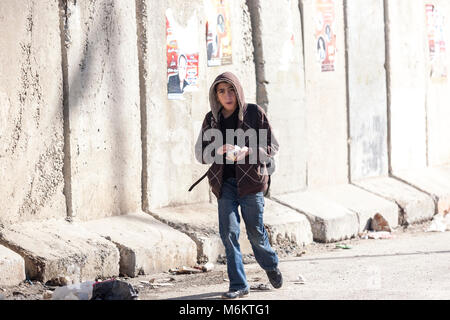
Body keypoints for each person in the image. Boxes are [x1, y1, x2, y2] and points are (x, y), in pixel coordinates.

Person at [194, 72, 282, 299]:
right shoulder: (211, 119)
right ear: (216, 95)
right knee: (229, 233)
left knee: (255, 232)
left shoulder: (254, 113)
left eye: (231, 90)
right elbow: (200, 154)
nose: (227, 95)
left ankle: (270, 264)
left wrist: (250, 151)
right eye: (221, 91)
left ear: (238, 91)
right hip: (225, 186)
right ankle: (239, 285)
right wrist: (217, 150)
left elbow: (272, 146)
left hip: (252, 184)